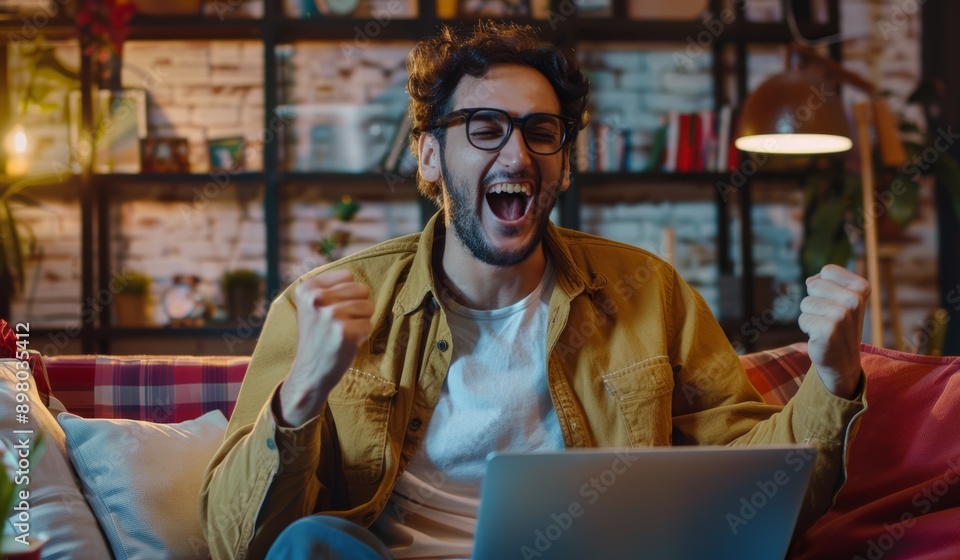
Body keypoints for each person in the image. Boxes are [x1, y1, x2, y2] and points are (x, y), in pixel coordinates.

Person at [200, 22, 869, 560]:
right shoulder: (321, 303)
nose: (517, 157)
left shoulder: (650, 292)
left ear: (565, 161)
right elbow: (236, 543)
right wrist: (302, 396)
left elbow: (755, 498)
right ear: (429, 156)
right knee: (312, 543)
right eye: (484, 128)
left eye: (541, 132)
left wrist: (833, 380)